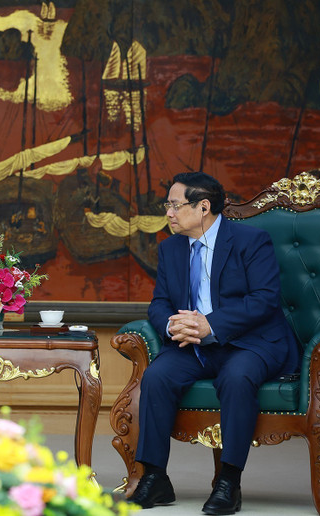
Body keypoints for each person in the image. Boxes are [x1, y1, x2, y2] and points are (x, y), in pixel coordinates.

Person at [130, 172, 299, 515]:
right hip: (194, 345)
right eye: (168, 205)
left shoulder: (251, 241)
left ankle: (228, 481)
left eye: (175, 205)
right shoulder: (170, 248)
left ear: (203, 206)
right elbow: (159, 302)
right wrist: (174, 324)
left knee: (236, 378)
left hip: (250, 342)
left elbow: (264, 299)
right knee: (157, 376)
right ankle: (155, 477)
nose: (169, 213)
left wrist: (210, 324)